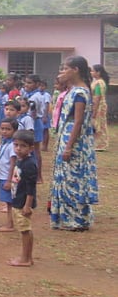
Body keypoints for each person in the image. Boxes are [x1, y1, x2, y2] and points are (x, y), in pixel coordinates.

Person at [50, 57, 99, 231]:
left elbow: (78, 122)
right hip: (67, 137)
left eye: (65, 69)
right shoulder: (73, 90)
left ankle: (76, 220)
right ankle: (67, 218)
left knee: (73, 179)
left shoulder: (80, 93)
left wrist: (69, 146)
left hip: (75, 141)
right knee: (65, 177)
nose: (62, 72)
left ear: (76, 70)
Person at [9, 130, 38, 266]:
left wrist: (27, 205)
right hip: (18, 199)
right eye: (16, 145)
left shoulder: (29, 164)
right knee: (24, 229)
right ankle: (27, 257)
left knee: (25, 230)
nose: (18, 149)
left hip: (22, 203)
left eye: (23, 146)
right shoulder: (21, 161)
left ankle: (25, 258)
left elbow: (31, 187)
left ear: (31, 148)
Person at [0, 118, 19, 232]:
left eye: (8, 129)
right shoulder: (4, 143)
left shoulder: (12, 145)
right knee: (7, 201)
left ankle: (10, 224)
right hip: (2, 175)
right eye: (2, 129)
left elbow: (13, 163)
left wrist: (9, 180)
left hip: (7, 177)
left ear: (14, 130)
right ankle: (9, 222)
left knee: (9, 202)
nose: (4, 131)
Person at [91, 64, 110, 151]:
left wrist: (94, 111)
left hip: (99, 106)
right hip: (99, 105)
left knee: (99, 124)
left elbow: (97, 97)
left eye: (93, 71)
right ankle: (98, 143)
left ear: (98, 72)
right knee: (99, 124)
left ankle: (101, 144)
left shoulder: (99, 83)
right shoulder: (98, 82)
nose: (91, 73)